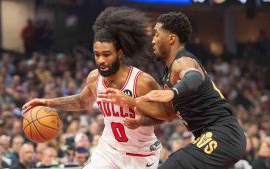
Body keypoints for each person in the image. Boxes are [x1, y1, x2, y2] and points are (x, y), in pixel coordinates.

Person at [22, 7, 165, 169]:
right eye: (97, 54)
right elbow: (82, 102)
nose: (101, 60)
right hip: (108, 150)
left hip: (141, 155)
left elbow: (165, 114)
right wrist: (47, 103)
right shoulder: (94, 78)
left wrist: (142, 120)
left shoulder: (141, 82)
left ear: (119, 53)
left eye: (106, 54)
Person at [100, 11, 247, 169]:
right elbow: (169, 115)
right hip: (213, 137)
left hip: (223, 135)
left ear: (171, 39)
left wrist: (172, 92)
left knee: (174, 163)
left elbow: (194, 77)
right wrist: (140, 115)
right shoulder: (168, 73)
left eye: (156, 34)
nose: (153, 40)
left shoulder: (183, 61)